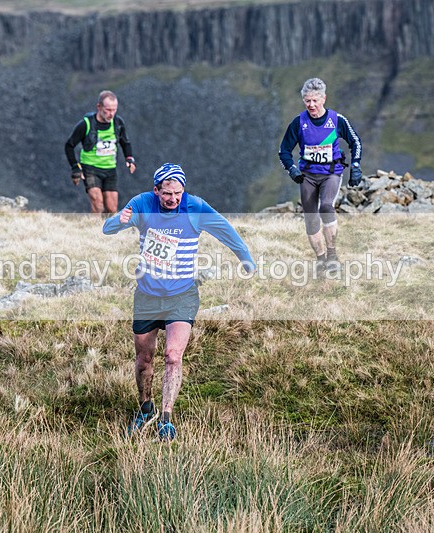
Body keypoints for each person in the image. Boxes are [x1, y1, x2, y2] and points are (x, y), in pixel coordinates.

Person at [103, 163, 255, 442]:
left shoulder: (195, 207)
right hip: (147, 296)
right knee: (144, 359)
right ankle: (145, 409)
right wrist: (119, 221)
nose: (173, 198)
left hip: (182, 295)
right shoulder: (143, 204)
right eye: (167, 193)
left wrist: (245, 257)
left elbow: (224, 229)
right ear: (156, 190)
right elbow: (108, 229)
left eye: (178, 192)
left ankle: (166, 418)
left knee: (173, 355)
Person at [278, 77, 363, 274]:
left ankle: (333, 256)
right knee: (310, 217)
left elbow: (355, 142)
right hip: (307, 175)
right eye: (307, 101)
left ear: (324, 98)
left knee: (326, 206)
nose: (311, 105)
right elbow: (283, 151)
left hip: (331, 173)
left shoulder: (337, 120)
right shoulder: (298, 123)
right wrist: (291, 168)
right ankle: (321, 260)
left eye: (315, 100)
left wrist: (356, 166)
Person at [65, 90, 136, 214]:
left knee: (112, 208)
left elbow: (125, 142)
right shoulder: (85, 124)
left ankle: (108, 231)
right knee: (98, 204)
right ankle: (95, 230)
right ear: (99, 107)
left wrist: (129, 158)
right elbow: (69, 145)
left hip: (110, 169)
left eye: (114, 110)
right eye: (108, 110)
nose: (111, 114)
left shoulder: (118, 123)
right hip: (90, 168)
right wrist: (75, 168)